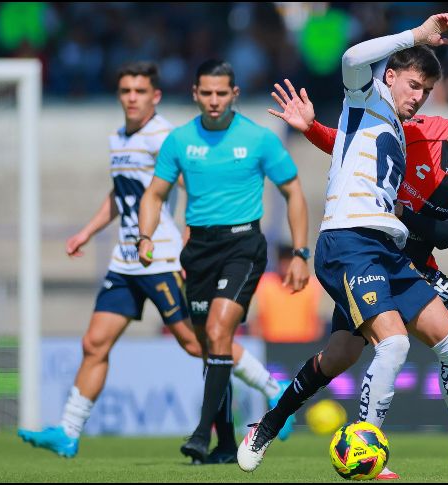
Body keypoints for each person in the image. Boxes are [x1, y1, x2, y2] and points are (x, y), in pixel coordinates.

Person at [238, 14, 448, 478]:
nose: (417, 97)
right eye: (412, 85)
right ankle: (365, 445)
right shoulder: (368, 97)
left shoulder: (398, 126)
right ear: (389, 76)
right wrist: (415, 36)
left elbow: (351, 148)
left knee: (446, 342)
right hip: (350, 241)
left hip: (389, 250)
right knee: (392, 343)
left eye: (425, 91)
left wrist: (316, 132)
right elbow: (353, 58)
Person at [17, 61, 295, 463]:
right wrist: (87, 232)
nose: (132, 98)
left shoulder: (166, 136)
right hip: (126, 260)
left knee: (199, 343)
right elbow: (122, 193)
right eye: (125, 91)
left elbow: (195, 183)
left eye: (140, 91)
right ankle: (68, 431)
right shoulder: (118, 139)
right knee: (94, 342)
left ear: (155, 96)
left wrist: (192, 233)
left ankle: (272, 390)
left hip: (161, 258)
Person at [136, 59, 310, 465]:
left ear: (234, 94)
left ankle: (201, 434)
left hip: (242, 245)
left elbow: (293, 191)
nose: (214, 100)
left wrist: (301, 253)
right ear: (195, 94)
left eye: (221, 93)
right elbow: (154, 194)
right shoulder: (179, 141)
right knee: (210, 346)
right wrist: (144, 237)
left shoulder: (258, 139)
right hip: (198, 250)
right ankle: (227, 445)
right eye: (207, 93)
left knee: (217, 331)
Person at [251, 243, 324, 343]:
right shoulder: (265, 284)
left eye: (289, 261)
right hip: (272, 346)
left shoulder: (312, 285)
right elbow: (256, 322)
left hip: (304, 345)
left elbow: (319, 322)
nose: (285, 266)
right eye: (283, 261)